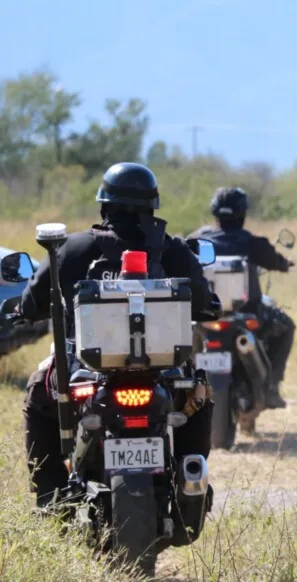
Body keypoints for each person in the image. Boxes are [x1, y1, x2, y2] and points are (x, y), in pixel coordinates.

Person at [20, 162, 217, 508]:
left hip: (86, 369)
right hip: (162, 372)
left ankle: (50, 499)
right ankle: (191, 484)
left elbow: (33, 300)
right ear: (152, 205)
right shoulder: (173, 250)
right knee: (197, 393)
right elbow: (202, 299)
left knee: (39, 391)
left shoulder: (72, 248)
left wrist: (26, 311)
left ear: (104, 204)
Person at [190, 187, 295, 415]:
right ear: (242, 213)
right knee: (286, 326)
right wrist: (285, 263)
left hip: (201, 314)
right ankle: (273, 386)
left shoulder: (197, 240)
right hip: (248, 313)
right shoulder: (251, 242)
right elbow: (277, 262)